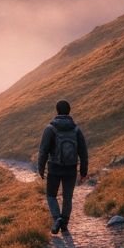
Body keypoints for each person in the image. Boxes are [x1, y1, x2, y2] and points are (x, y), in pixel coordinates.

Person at [37, 100, 88, 235]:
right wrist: (83, 171)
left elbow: (43, 151)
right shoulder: (76, 129)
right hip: (71, 168)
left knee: (51, 195)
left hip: (54, 168)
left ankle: (57, 218)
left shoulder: (50, 129)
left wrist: (41, 169)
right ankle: (64, 224)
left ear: (57, 111)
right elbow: (83, 152)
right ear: (69, 111)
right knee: (67, 197)